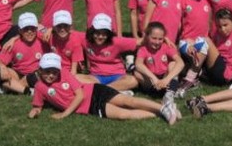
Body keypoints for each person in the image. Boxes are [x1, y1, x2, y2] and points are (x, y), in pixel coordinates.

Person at [28, 53, 181, 124]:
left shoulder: (65, 74)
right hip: (90, 107)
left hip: (95, 91)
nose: (51, 75)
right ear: (40, 71)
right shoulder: (39, 87)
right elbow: (38, 104)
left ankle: (163, 108)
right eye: (47, 71)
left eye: (54, 71)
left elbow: (80, 95)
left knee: (128, 101)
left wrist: (64, 114)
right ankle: (160, 113)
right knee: (123, 114)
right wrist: (36, 110)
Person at [177, 8, 232, 97]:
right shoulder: (217, 34)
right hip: (214, 69)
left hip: (225, 74)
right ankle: (189, 76)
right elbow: (210, 51)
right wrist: (191, 46)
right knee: (186, 41)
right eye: (219, 26)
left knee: (206, 40)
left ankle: (189, 80)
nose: (222, 29)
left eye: (225, 25)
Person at [76, 13, 139, 92]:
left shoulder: (116, 41)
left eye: (104, 34)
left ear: (109, 34)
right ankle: (113, 90)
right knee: (75, 78)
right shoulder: (85, 40)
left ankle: (102, 90)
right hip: (95, 77)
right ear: (92, 31)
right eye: (97, 33)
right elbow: (69, 33)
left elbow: (139, 43)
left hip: (118, 76)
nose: (100, 37)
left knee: (133, 80)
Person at [0, 12, 49, 95]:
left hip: (35, 74)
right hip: (18, 74)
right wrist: (2, 67)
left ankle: (12, 87)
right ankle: (28, 91)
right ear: (20, 31)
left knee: (39, 75)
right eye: (26, 29)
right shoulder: (13, 44)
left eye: (32, 28)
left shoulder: (43, 40)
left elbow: (54, 34)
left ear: (36, 29)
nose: (29, 31)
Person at [177, 0, 212, 92]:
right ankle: (197, 73)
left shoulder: (208, 2)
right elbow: (179, 23)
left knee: (203, 48)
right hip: (186, 41)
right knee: (195, 55)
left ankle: (188, 81)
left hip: (201, 42)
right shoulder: (184, 1)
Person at [134, 22, 184, 103]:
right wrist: (155, 79)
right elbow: (138, 64)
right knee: (137, 73)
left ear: (164, 38)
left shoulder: (166, 47)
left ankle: (170, 93)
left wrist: (166, 80)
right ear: (147, 36)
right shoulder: (143, 49)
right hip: (151, 79)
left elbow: (181, 63)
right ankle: (155, 91)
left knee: (173, 64)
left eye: (160, 39)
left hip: (165, 77)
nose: (157, 42)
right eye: (154, 38)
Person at [40, 10, 85, 74]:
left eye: (65, 26)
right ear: (54, 27)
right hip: (53, 69)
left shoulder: (75, 42)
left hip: (68, 71)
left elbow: (73, 71)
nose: (62, 29)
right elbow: (37, 26)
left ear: (70, 26)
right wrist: (50, 29)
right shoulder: (50, 36)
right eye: (59, 26)